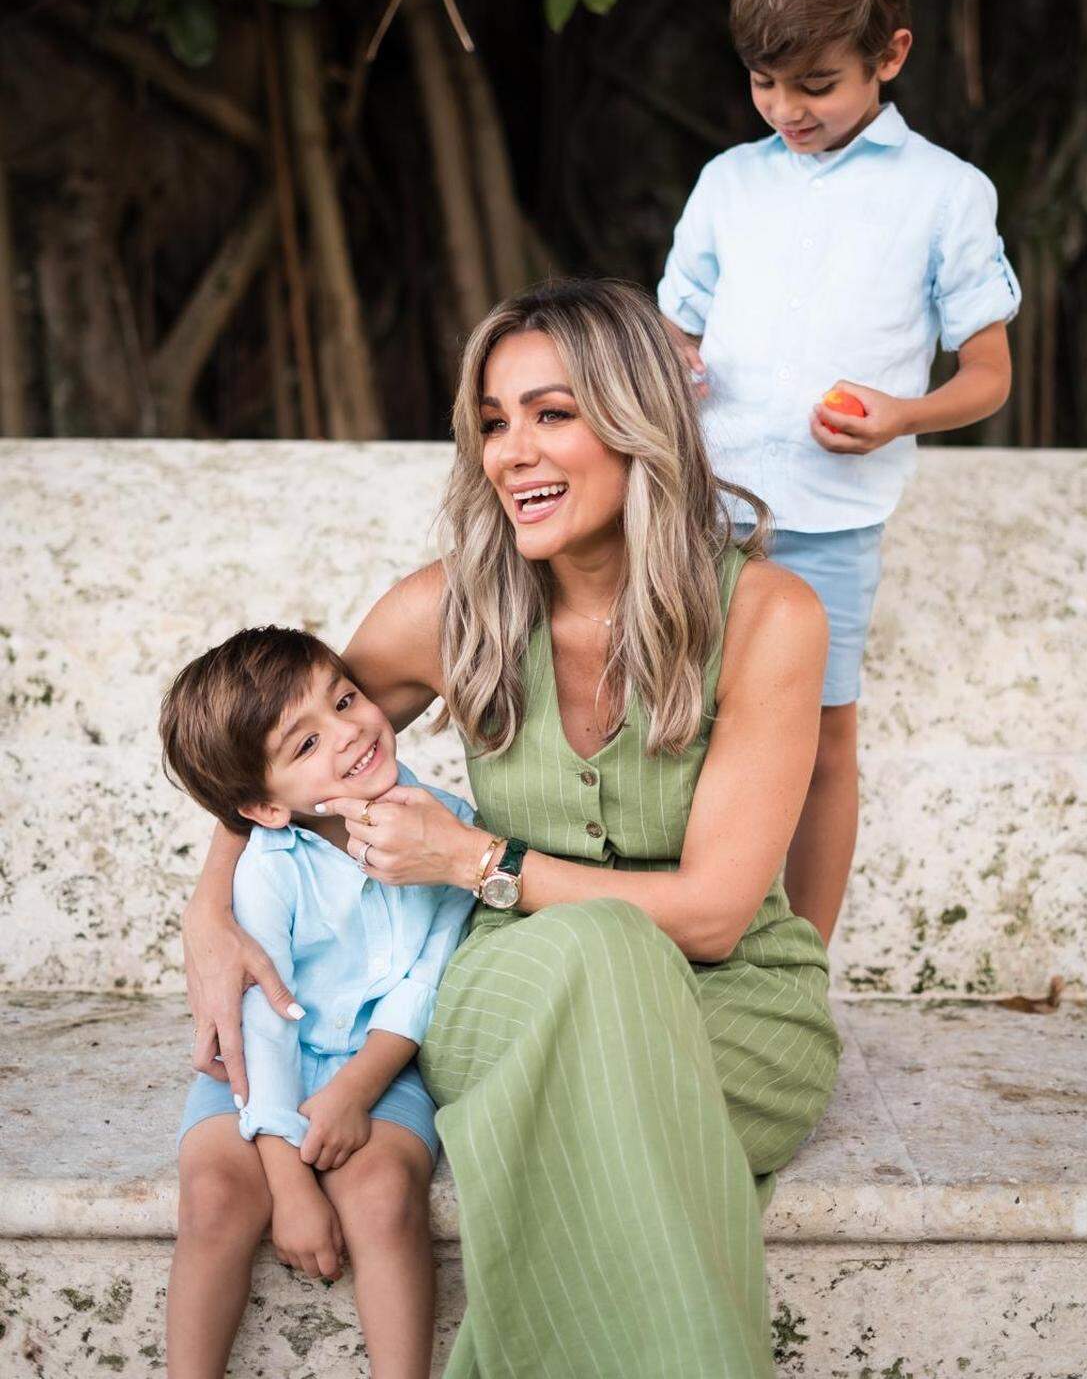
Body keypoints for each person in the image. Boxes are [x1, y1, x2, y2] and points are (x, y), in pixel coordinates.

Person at [181, 278, 841, 1379]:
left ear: (639, 421)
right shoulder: (444, 611)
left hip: (735, 1019)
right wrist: (213, 914)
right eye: (492, 421)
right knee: (587, 977)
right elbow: (271, 759)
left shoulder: (769, 617)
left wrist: (478, 860)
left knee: (607, 987)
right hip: (510, 992)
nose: (512, 452)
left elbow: (719, 915)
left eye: (552, 412)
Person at [658, 0, 1021, 943]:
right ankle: (679, 933)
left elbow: (988, 375)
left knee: (822, 745)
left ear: (890, 55)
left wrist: (904, 412)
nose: (786, 109)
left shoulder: (947, 195)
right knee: (683, 730)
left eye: (816, 84)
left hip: (832, 524)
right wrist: (672, 367)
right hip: (701, 511)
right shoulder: (729, 182)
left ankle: (799, 969)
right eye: (765, 84)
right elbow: (672, 334)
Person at [159, 625, 474, 1379]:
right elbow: (261, 1018)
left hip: (383, 1064)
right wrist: (288, 1177)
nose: (348, 734)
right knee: (214, 1195)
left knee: (384, 1194)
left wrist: (358, 1089)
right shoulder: (269, 866)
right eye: (304, 745)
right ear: (264, 806)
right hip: (258, 1067)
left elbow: (423, 980)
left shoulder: (446, 826)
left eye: (345, 698)